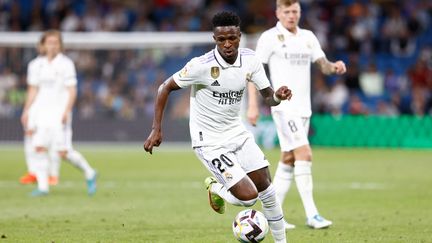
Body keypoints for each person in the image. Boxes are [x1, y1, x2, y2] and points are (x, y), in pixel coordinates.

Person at [144, 11, 292, 243]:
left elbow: (268, 97)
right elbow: (164, 88)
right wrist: (156, 128)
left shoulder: (250, 60)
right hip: (209, 141)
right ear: (214, 39)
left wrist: (278, 96)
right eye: (221, 39)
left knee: (267, 188)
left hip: (237, 132)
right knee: (248, 197)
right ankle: (216, 188)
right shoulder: (200, 66)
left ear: (239, 36)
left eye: (231, 38)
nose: (227, 44)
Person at [247, 0, 347, 230]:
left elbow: (322, 64)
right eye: (287, 12)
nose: (292, 16)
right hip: (283, 107)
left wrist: (335, 67)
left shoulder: (308, 37)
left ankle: (274, 216)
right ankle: (312, 214)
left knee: (289, 159)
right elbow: (253, 72)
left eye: (295, 11)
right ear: (278, 13)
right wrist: (252, 105)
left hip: (304, 108)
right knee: (304, 154)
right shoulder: (269, 37)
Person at [20, 30, 98, 196]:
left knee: (63, 152)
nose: (52, 46)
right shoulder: (35, 65)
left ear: (60, 45)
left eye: (55, 42)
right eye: (49, 42)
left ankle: (89, 172)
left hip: (59, 113)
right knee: (39, 147)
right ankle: (43, 187)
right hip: (41, 113)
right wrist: (27, 110)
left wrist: (67, 110)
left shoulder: (66, 64)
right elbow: (32, 90)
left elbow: (72, 90)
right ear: (43, 44)